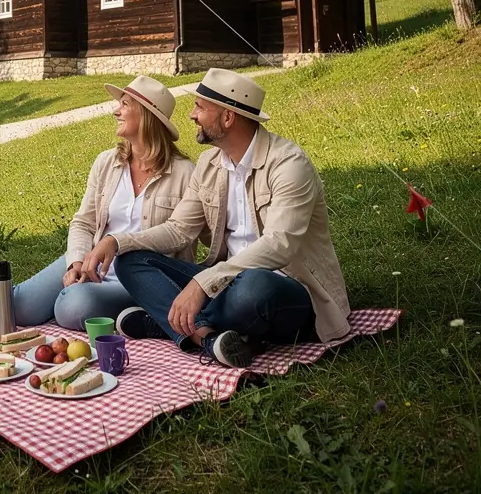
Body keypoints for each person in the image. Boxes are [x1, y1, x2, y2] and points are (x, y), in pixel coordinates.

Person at [81, 68, 350, 369]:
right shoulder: (210, 163)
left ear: (227, 118)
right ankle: (206, 336)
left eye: (199, 107)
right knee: (131, 259)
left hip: (284, 286)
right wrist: (116, 240)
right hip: (224, 284)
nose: (191, 116)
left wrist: (202, 283)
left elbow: (279, 245)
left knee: (253, 288)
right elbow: (180, 229)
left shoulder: (288, 164)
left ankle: (167, 323)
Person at [0, 76, 199, 332]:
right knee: (15, 307)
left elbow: (182, 234)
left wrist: (117, 244)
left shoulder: (185, 172)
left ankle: (144, 311)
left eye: (125, 104)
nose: (115, 111)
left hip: (136, 279)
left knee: (72, 307)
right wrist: (76, 262)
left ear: (146, 115)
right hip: (90, 263)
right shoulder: (107, 163)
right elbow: (83, 222)